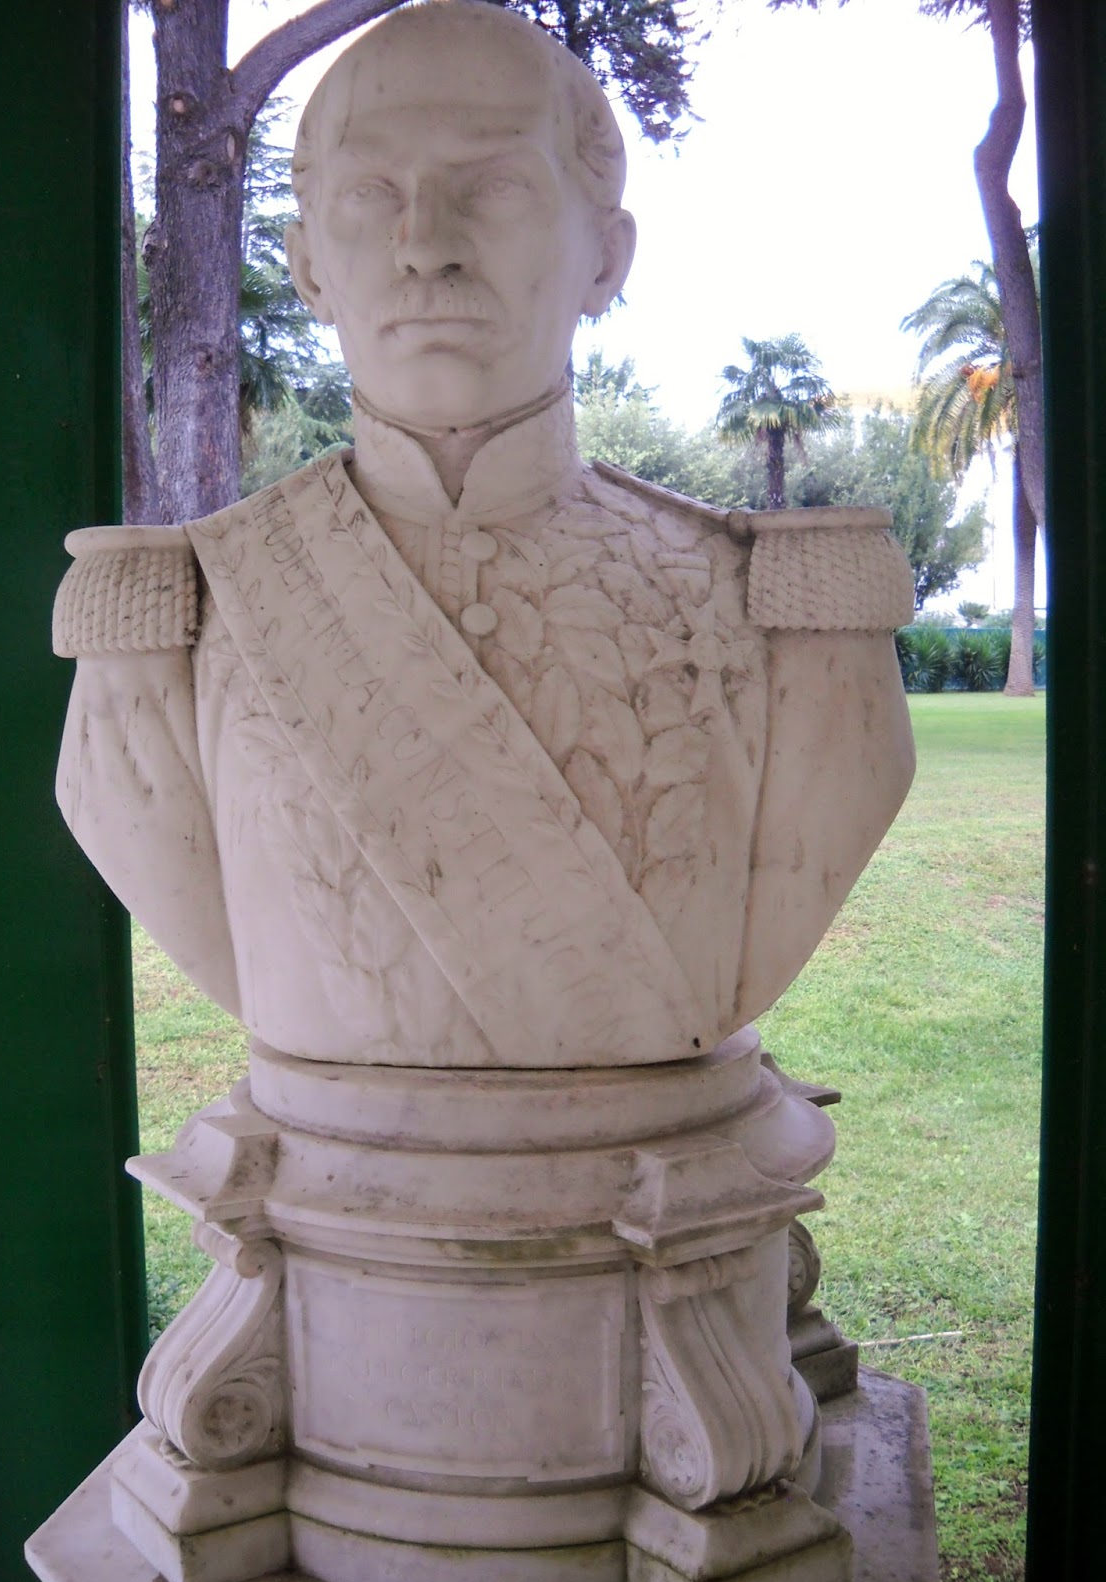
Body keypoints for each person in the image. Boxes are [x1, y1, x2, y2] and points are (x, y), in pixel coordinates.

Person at [54, 0, 914, 1071]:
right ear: (309, 266)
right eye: (372, 194)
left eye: (497, 187)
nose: (428, 247)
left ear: (606, 257)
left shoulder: (787, 611)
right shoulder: (172, 618)